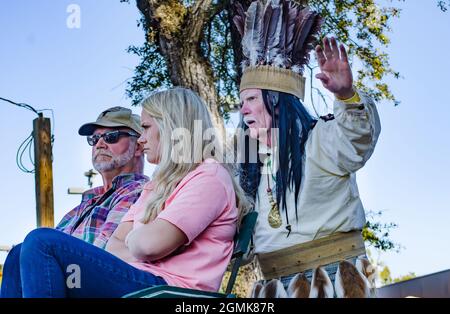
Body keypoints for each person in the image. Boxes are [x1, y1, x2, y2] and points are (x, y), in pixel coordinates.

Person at [2, 87, 252, 297]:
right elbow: (114, 246)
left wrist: (139, 239)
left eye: (146, 128)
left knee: (41, 242)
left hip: (169, 290)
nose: (142, 139)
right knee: (16, 255)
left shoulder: (209, 177)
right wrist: (142, 241)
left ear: (172, 127)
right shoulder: (158, 185)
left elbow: (148, 244)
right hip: (140, 280)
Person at [234, 0, 381, 296]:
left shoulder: (322, 140)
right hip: (272, 287)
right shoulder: (250, 165)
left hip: (335, 280)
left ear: (277, 100)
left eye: (251, 98)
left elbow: (357, 138)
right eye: (241, 101)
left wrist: (347, 95)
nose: (243, 108)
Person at [1, 106, 149, 297]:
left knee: (39, 240)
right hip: (72, 278)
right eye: (94, 139)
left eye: (111, 136)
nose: (100, 144)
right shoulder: (86, 202)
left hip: (105, 282)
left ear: (138, 146)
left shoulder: (139, 192)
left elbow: (105, 252)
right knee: (17, 254)